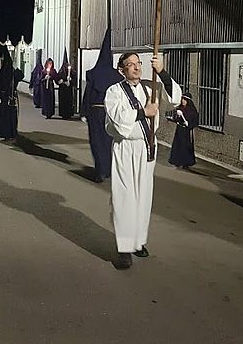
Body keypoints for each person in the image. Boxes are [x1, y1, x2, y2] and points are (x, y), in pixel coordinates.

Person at [105, 52, 182, 269]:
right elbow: (118, 118)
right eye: (130, 64)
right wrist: (143, 112)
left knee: (143, 196)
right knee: (125, 196)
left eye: (138, 63)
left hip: (147, 147)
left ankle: (138, 241)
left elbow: (174, 99)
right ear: (122, 69)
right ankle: (124, 249)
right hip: (125, 147)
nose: (137, 67)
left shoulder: (151, 88)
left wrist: (162, 71)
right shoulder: (114, 91)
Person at [81, 29, 123, 182]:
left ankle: (100, 170)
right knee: (107, 142)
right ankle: (107, 170)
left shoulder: (94, 74)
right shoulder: (116, 77)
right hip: (110, 113)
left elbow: (88, 95)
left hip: (95, 112)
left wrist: (84, 112)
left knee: (96, 141)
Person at [0, 48, 24, 140]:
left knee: (10, 116)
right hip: (4, 97)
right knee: (5, 116)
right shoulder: (2, 73)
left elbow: (20, 76)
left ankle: (11, 132)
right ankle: (5, 132)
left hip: (9, 97)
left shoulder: (12, 73)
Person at [167, 91, 199, 169]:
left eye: (185, 100)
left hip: (187, 132)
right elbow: (175, 118)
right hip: (180, 130)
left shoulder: (192, 111)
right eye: (182, 99)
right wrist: (177, 117)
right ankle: (177, 162)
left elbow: (195, 122)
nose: (183, 101)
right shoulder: (180, 109)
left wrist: (189, 124)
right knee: (178, 146)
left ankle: (186, 162)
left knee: (186, 147)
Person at [57, 49, 77, 120]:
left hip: (68, 90)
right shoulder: (61, 71)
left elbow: (74, 78)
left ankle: (68, 113)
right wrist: (61, 81)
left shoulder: (71, 71)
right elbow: (58, 79)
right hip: (62, 89)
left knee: (68, 102)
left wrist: (70, 80)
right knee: (63, 102)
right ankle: (63, 114)